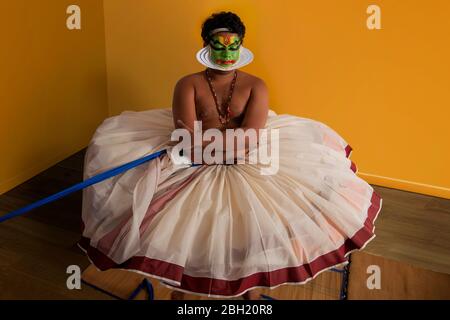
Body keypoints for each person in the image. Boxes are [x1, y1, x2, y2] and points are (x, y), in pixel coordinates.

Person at [79, 11, 383, 300]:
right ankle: (187, 281)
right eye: (218, 46)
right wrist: (198, 149)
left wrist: (214, 148)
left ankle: (246, 279)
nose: (226, 55)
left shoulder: (256, 86)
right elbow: (185, 137)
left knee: (256, 220)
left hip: (242, 157)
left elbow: (251, 137)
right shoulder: (188, 84)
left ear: (242, 45)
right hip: (195, 156)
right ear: (205, 46)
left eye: (233, 46)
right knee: (185, 221)